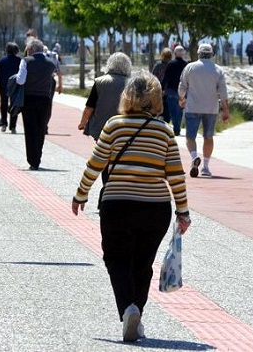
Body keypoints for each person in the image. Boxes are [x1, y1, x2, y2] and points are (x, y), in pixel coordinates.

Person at [71, 71, 191, 342]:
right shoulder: (164, 131)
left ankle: (128, 309)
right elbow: (175, 176)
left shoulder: (114, 125)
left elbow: (96, 164)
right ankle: (135, 317)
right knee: (143, 262)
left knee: (116, 258)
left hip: (118, 204)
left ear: (128, 96)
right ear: (156, 99)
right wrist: (182, 211)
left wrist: (81, 194)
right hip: (155, 207)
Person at [179, 43, 230, 178]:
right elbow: (223, 92)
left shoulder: (190, 67)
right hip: (211, 108)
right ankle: (206, 167)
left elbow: (182, 85)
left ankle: (194, 156)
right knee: (208, 137)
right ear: (211, 54)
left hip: (193, 106)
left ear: (198, 53)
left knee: (190, 137)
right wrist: (226, 110)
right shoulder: (217, 70)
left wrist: (181, 98)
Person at [16, 38, 55, 170]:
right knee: (40, 129)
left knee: (30, 129)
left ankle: (33, 160)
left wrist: (14, 78)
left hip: (29, 99)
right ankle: (37, 156)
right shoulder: (51, 63)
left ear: (31, 49)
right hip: (45, 99)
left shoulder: (26, 61)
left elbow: (21, 81)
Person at [78, 52, 132, 140]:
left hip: (101, 128)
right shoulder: (131, 84)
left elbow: (89, 107)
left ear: (109, 64)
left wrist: (82, 123)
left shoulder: (99, 82)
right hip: (124, 127)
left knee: (101, 151)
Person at [0, 42, 21, 133]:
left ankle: (4, 123)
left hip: (4, 85)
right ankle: (13, 126)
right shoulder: (19, 61)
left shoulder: (2, 60)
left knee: (3, 104)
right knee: (14, 105)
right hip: (15, 85)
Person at [162, 46, 188, 136]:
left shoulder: (170, 64)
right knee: (179, 110)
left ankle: (176, 128)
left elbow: (166, 78)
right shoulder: (186, 65)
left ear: (175, 53)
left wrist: (162, 88)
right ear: (183, 53)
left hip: (171, 90)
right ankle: (177, 128)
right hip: (182, 91)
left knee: (172, 111)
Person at [151, 48, 172, 121]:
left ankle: (159, 117)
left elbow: (152, 76)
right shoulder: (171, 65)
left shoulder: (158, 65)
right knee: (167, 106)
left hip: (158, 88)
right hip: (168, 88)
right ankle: (166, 119)